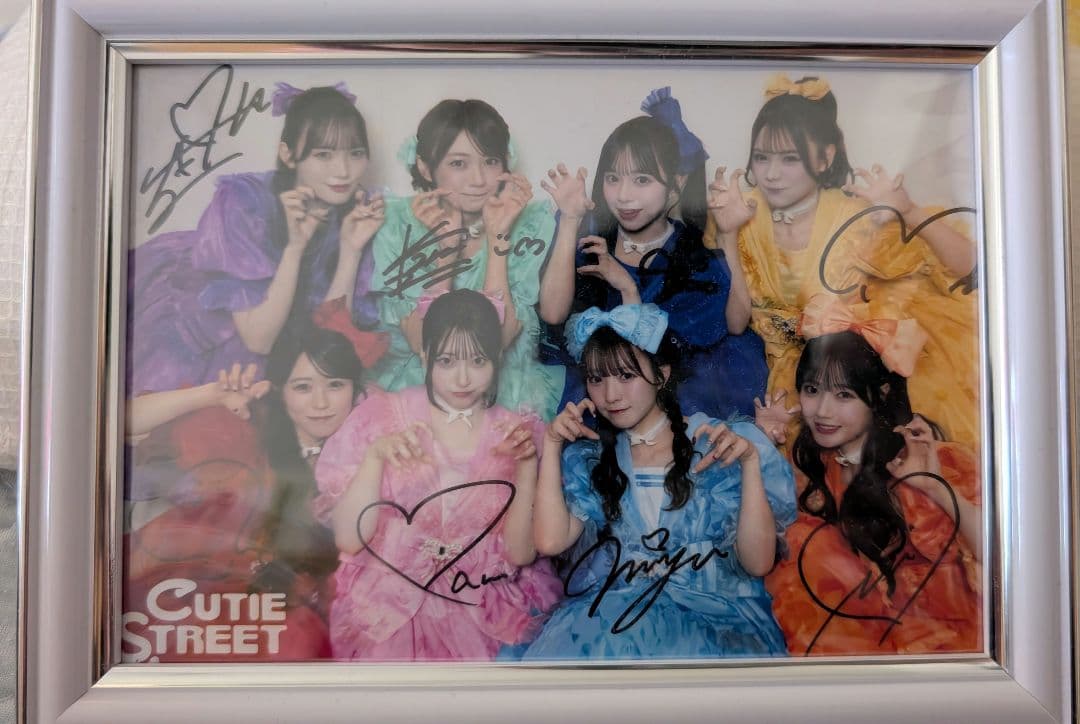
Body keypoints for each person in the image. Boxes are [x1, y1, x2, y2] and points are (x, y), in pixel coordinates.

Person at [705, 74, 979, 446]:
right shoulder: (740, 212)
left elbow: (970, 267)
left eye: (790, 159)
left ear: (826, 157)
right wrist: (727, 234)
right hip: (786, 380)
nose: (771, 174)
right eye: (761, 157)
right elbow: (736, 323)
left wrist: (908, 211)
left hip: (851, 379)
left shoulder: (856, 216)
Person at [521, 304, 795, 660]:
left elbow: (758, 564)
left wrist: (751, 464)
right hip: (618, 623)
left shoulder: (718, 443)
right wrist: (553, 444)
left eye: (625, 376)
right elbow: (550, 541)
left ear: (661, 375)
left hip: (713, 623)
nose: (610, 395)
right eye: (596, 379)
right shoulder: (592, 459)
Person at [315, 289, 563, 661]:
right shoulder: (384, 418)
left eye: (477, 361)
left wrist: (526, 467)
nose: (462, 378)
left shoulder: (516, 432)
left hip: (482, 609)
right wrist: (375, 457)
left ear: (497, 358)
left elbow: (519, 553)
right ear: (425, 355)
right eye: (446, 361)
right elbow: (349, 540)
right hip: (390, 607)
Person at [123, 309, 380, 662]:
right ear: (280, 390)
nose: (320, 403)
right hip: (224, 600)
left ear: (354, 389)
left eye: (335, 385)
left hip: (327, 614)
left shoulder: (373, 444)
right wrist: (212, 394)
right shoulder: (249, 431)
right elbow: (125, 421)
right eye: (303, 387)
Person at [128, 83, 385, 395]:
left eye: (355, 154)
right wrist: (294, 248)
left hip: (287, 354)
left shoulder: (361, 213)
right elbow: (258, 340)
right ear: (288, 155)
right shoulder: (243, 203)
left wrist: (350, 250)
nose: (343, 171)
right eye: (323, 154)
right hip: (211, 335)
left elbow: (330, 342)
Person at [764, 300, 981, 655]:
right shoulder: (806, 468)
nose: (822, 411)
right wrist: (761, 454)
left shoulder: (925, 456)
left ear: (880, 395)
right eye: (812, 390)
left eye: (844, 395)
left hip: (946, 648)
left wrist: (933, 485)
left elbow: (1003, 554)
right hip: (852, 653)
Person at [539, 87, 767, 419]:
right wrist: (570, 220)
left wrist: (728, 233)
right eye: (613, 178)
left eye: (642, 180)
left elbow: (735, 324)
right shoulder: (592, 239)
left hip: (676, 396)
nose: (623, 196)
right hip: (603, 395)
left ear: (676, 184)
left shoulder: (688, 252)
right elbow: (553, 313)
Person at [367, 99, 563, 420]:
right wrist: (446, 249)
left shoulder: (529, 223)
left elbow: (498, 340)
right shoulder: (395, 223)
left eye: (490, 161)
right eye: (459, 163)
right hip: (418, 391)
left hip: (502, 394)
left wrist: (498, 235)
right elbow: (423, 343)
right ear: (425, 168)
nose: (479, 179)